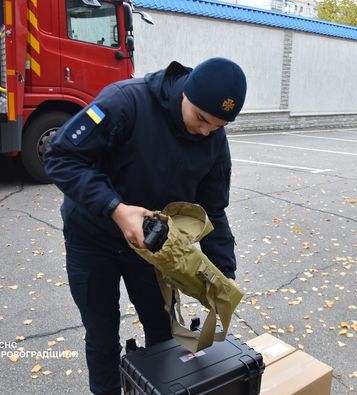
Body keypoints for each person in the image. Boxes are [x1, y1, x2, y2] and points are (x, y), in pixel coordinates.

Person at [44, 57, 247, 395]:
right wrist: (116, 208)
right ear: (186, 93)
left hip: (152, 248)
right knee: (102, 336)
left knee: (163, 334)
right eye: (201, 119)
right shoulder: (125, 102)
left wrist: (223, 271)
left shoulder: (213, 137)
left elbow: (213, 208)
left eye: (217, 126)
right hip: (93, 238)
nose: (205, 131)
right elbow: (60, 156)